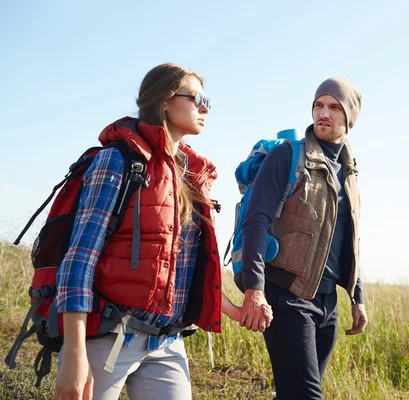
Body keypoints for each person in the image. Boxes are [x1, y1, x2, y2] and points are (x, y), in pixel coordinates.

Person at [53, 63, 272, 400]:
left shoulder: (193, 175)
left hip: (167, 343)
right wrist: (74, 352)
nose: (205, 107)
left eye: (207, 100)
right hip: (110, 337)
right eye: (197, 97)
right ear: (165, 100)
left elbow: (185, 271)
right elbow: (80, 259)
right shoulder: (119, 160)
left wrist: (236, 310)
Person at [239, 77, 368, 399]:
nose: (323, 113)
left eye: (334, 107)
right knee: (306, 395)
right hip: (287, 294)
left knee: (293, 394)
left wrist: (357, 297)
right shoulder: (287, 156)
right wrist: (255, 290)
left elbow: (348, 238)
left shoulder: (349, 171)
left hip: (328, 302)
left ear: (349, 116)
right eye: (318, 105)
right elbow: (255, 221)